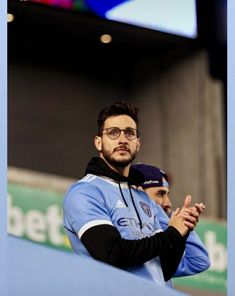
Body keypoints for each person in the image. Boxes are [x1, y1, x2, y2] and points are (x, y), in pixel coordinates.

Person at [63, 100, 203, 287]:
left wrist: (181, 232)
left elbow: (165, 269)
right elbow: (111, 253)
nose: (122, 139)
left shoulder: (143, 198)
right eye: (113, 133)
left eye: (130, 133)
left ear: (138, 143)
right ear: (98, 142)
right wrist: (171, 234)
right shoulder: (84, 192)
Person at [132, 163, 210, 280]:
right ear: (136, 191)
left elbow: (199, 261)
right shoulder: (130, 235)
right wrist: (165, 217)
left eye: (167, 194)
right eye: (160, 194)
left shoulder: (161, 243)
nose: (168, 203)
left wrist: (184, 224)